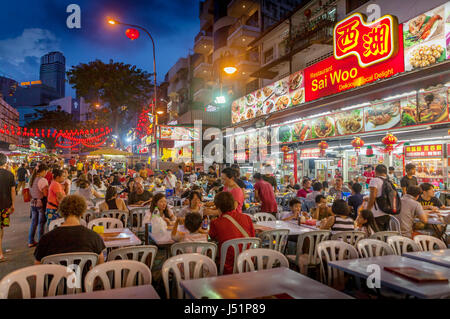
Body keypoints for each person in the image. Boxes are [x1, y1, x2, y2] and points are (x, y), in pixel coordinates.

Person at [34, 195, 106, 264]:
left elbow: (38, 265)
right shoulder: (94, 237)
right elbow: (100, 263)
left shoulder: (46, 239)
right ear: (82, 212)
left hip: (57, 276)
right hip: (85, 276)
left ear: (62, 212)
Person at [209, 191, 255, 275]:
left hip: (228, 267)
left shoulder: (216, 223)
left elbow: (212, 237)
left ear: (217, 206)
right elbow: (252, 236)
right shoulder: (247, 218)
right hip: (248, 263)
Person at [28, 164, 49, 247]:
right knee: (41, 223)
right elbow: (45, 194)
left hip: (33, 202)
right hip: (40, 203)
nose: (46, 173)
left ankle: (30, 241)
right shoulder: (43, 180)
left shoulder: (31, 179)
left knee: (33, 222)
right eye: (46, 171)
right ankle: (41, 242)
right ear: (43, 171)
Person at [0, 154, 16, 262]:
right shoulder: (9, 175)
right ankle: (0, 253)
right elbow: (13, 191)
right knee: (1, 228)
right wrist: (13, 204)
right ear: (5, 162)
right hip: (5, 206)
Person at [367, 164, 392, 231]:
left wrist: (367, 210)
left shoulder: (374, 180)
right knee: (384, 235)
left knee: (377, 236)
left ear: (376, 172)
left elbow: (373, 197)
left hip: (377, 214)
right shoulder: (388, 181)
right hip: (387, 212)